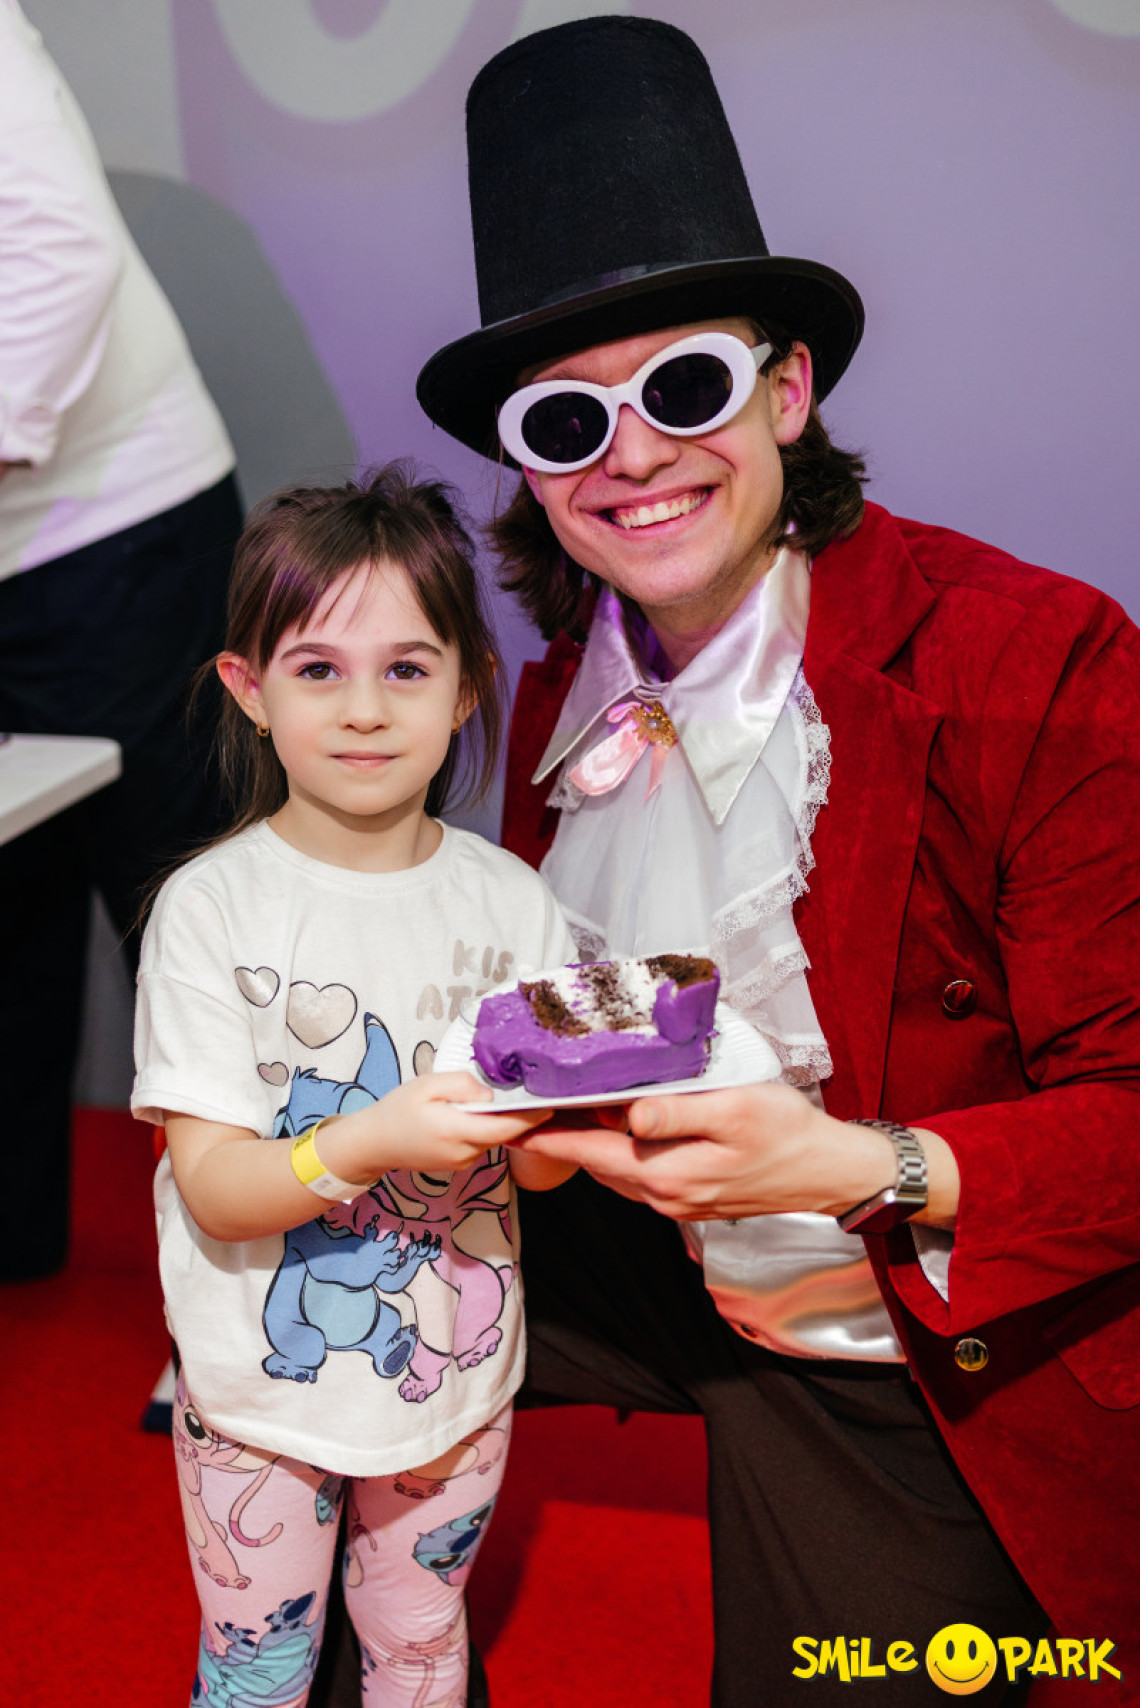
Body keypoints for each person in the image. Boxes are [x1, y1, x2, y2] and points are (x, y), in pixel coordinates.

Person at [414, 17, 1140, 1704]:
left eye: (683, 388)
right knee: (305, 1299)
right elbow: (587, 1002)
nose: (631, 457)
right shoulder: (568, 686)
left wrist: (855, 1161)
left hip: (905, 1320)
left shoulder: (1035, 660)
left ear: (789, 389)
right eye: (565, 418)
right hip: (653, 1242)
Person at [130, 466, 575, 1708]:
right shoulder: (209, 909)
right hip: (255, 1394)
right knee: (259, 1666)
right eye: (319, 668)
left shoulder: (513, 902)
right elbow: (218, 1190)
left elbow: (544, 1169)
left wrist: (574, 1110)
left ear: (466, 685)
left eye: (408, 668)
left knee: (423, 1647)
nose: (366, 709)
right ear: (250, 690)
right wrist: (374, 1137)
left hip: (455, 1387)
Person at [0, 0, 242, 1279]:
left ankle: (270, 1278)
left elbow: (59, 254)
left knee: (184, 913)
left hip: (115, 521)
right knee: (6, 917)